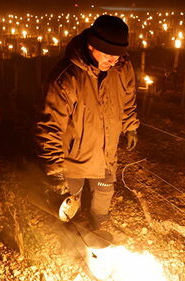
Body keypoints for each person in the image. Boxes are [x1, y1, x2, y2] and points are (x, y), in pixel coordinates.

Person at [36, 15, 139, 229]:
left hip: (106, 153)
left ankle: (98, 225)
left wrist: (130, 126)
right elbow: (50, 127)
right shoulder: (66, 78)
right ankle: (72, 233)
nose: (114, 61)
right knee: (71, 200)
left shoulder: (122, 68)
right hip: (74, 157)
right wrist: (54, 170)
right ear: (92, 46)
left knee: (104, 192)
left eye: (118, 55)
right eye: (109, 54)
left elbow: (128, 98)